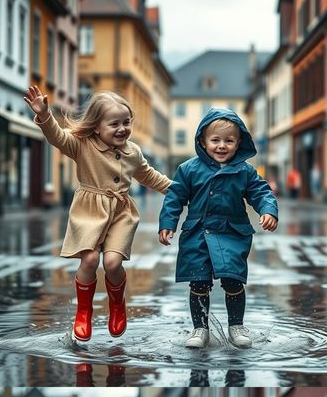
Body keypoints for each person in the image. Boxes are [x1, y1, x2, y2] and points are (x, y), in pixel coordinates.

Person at [22, 84, 172, 343]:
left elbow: (149, 176)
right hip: (89, 211)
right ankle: (83, 311)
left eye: (126, 122)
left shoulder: (133, 152)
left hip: (120, 213)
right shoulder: (82, 145)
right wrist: (45, 116)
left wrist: (180, 191)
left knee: (113, 263)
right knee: (90, 261)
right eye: (114, 124)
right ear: (96, 126)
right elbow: (57, 137)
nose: (122, 129)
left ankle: (117, 304)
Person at [157, 109, 280, 350]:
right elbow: (174, 198)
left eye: (229, 141)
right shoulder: (188, 169)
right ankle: (200, 328)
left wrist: (268, 210)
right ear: (203, 141)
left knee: (233, 280)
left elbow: (261, 192)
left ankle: (236, 326)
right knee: (199, 282)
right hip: (198, 234)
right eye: (215, 140)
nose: (222, 146)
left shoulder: (245, 171)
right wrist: (167, 223)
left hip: (232, 233)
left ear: (238, 143)